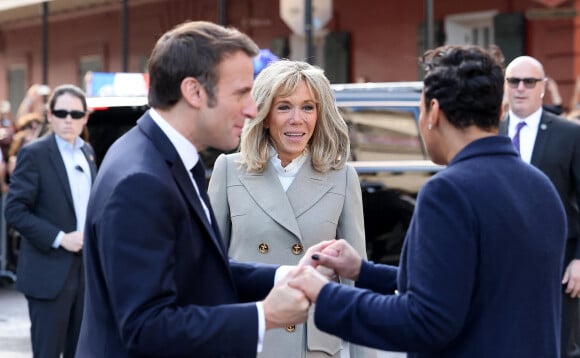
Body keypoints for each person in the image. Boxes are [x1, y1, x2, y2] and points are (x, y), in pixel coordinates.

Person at [287, 45, 568, 357]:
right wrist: (363, 271)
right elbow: (469, 282)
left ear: (433, 111)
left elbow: (425, 321)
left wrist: (325, 295)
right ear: (500, 112)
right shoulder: (540, 186)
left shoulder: (449, 191)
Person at [75, 21, 311, 357]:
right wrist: (265, 316)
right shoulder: (141, 180)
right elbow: (146, 326)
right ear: (194, 92)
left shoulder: (162, 157)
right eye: (242, 92)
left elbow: (197, 270)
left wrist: (287, 275)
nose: (252, 109)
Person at [208, 60, 372, 358]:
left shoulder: (342, 176)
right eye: (284, 107)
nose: (297, 119)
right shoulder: (229, 170)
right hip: (248, 342)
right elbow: (208, 270)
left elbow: (354, 280)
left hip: (312, 347)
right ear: (264, 114)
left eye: (308, 107)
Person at [4, 84, 97, 358]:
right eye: (61, 112)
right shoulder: (34, 153)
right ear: (49, 115)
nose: (68, 119)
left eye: (75, 113)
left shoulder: (88, 153)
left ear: (85, 117)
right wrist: (60, 238)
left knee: (80, 351)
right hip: (48, 273)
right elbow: (15, 210)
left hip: (85, 274)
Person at [500, 55, 580, 358]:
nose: (520, 88)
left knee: (559, 347)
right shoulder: (490, 132)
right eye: (513, 81)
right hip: (501, 267)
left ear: (543, 88)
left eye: (529, 82)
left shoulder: (570, 134)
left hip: (558, 267)